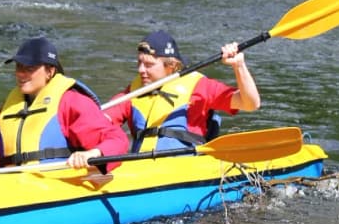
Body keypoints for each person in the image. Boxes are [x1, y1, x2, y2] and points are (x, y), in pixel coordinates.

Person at [0, 36, 129, 173]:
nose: (20, 74)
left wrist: (93, 153)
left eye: (29, 68)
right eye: (18, 67)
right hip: (13, 183)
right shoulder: (9, 108)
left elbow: (116, 139)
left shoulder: (71, 102)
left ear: (50, 72)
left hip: (55, 183)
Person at [106, 30, 261, 153]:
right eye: (139, 62)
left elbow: (250, 104)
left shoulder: (200, 86)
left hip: (185, 169)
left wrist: (238, 65)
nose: (141, 70)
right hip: (141, 170)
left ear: (171, 65)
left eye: (148, 65)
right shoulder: (133, 92)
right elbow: (103, 119)